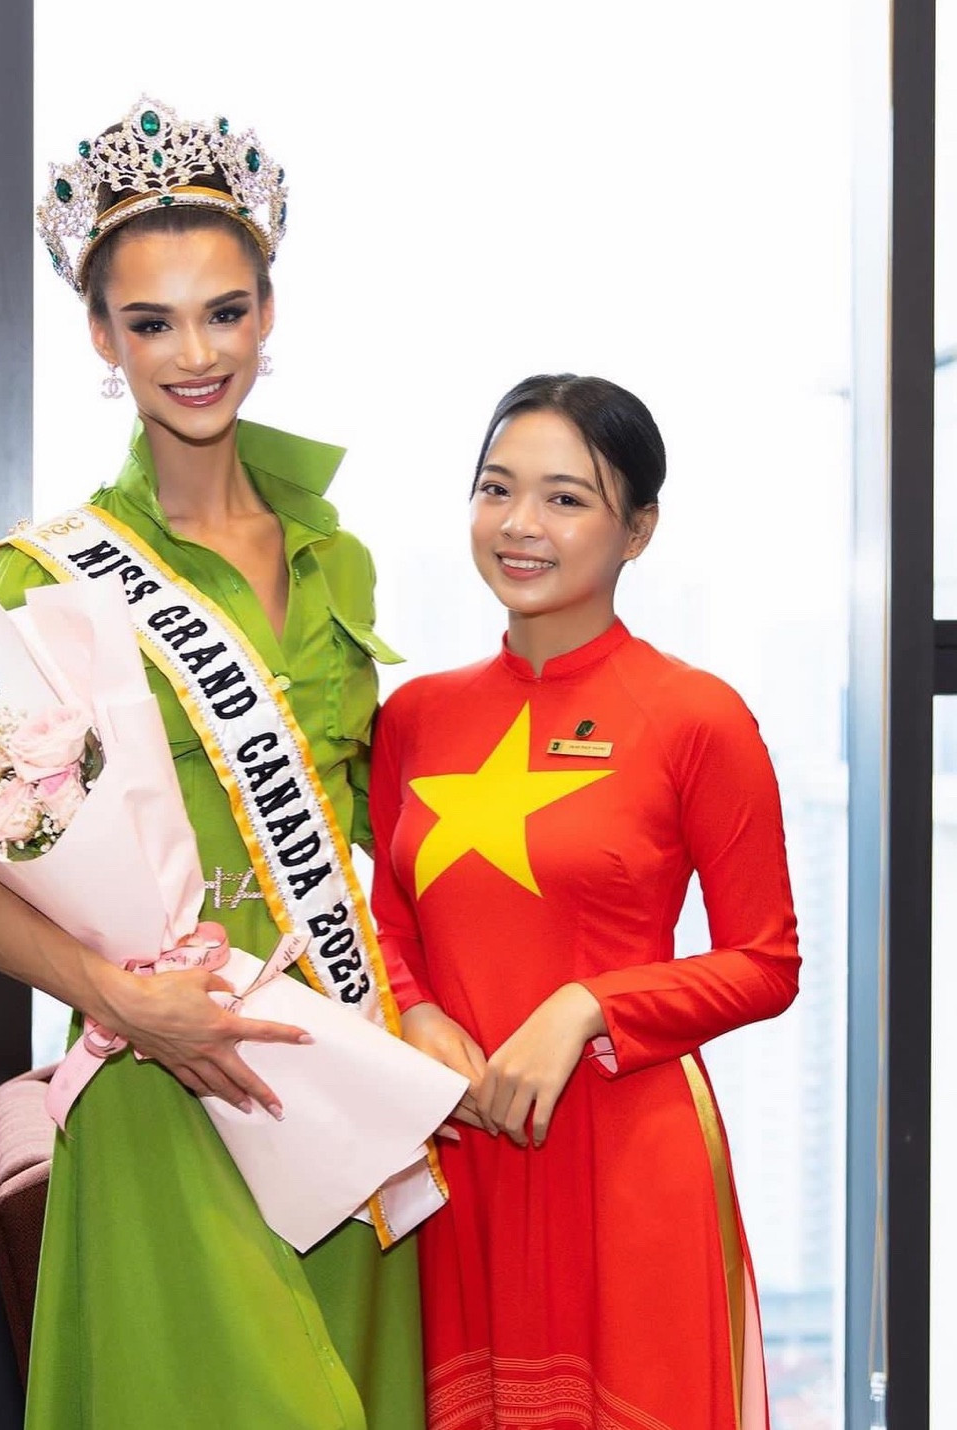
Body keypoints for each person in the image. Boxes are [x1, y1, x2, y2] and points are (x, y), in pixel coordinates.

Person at [0, 98, 425, 1428]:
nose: (195, 352)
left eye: (225, 311)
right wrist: (125, 995)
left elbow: (364, 827)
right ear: (102, 338)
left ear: (269, 316)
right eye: (154, 320)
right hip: (163, 1089)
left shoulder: (333, 558)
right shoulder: (45, 575)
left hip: (338, 1085)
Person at [369, 374, 801, 1430]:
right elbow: (381, 912)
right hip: (452, 1144)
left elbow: (766, 959)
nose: (520, 525)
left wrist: (585, 1008)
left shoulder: (696, 716)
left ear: (636, 528)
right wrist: (416, 1012)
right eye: (495, 488)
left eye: (565, 498)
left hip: (625, 1151)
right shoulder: (416, 715)